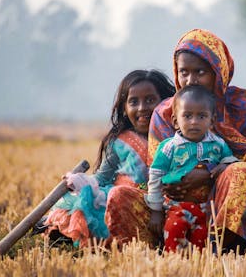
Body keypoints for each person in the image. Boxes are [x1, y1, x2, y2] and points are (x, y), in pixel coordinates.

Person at [106, 28, 246, 255]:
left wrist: (207, 175)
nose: (190, 80)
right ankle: (160, 250)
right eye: (183, 72)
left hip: (220, 204)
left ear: (219, 72)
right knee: (119, 196)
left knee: (245, 173)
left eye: (200, 71)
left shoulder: (243, 108)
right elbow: (158, 172)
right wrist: (175, 188)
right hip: (172, 207)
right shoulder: (164, 112)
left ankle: (221, 247)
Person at [38, 69, 175, 247]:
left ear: (164, 103)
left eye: (150, 100)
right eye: (134, 102)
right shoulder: (119, 142)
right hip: (121, 206)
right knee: (94, 210)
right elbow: (102, 178)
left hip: (160, 209)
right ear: (125, 109)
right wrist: (79, 181)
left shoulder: (175, 139)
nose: (142, 108)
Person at [145, 85, 238, 252]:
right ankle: (174, 265)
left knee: (203, 240)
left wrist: (224, 166)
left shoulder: (218, 144)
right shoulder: (169, 147)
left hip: (207, 209)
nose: (194, 122)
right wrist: (156, 211)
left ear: (212, 119)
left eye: (201, 116)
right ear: (175, 121)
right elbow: (155, 176)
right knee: (174, 230)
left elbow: (231, 162)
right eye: (187, 116)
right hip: (176, 206)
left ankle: (200, 270)